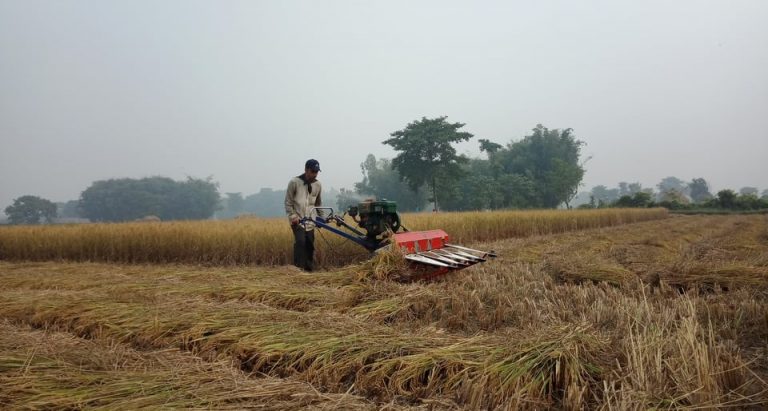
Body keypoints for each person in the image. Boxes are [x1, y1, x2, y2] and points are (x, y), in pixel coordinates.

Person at [284, 159, 323, 271]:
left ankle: (309, 270)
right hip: (298, 220)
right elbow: (288, 202)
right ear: (306, 170)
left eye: (317, 172)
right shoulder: (294, 182)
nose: (315, 174)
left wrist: (322, 217)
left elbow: (318, 203)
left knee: (310, 245)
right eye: (313, 171)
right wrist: (293, 216)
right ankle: (298, 269)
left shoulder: (317, 185)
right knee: (301, 242)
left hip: (311, 221)